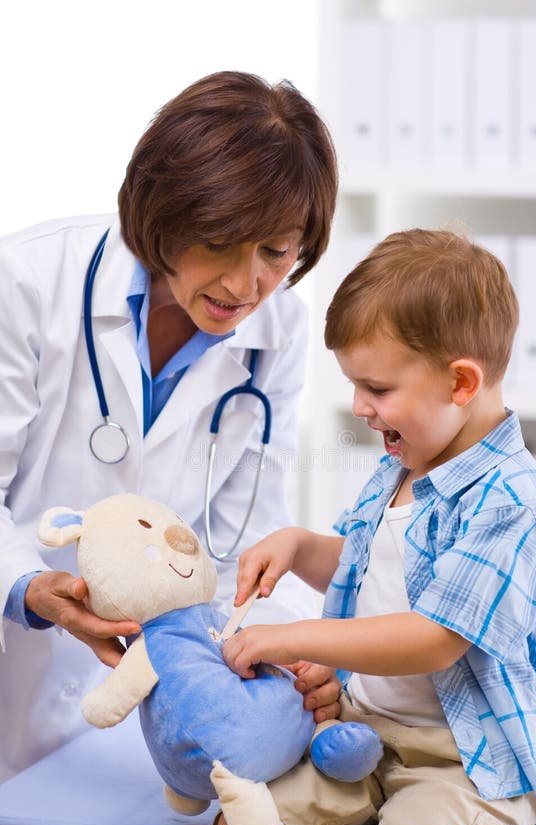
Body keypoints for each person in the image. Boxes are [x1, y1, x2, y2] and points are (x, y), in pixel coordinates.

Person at [211, 228, 536, 825]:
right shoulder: (402, 466)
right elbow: (368, 569)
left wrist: (289, 635)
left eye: (375, 387)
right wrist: (299, 546)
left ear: (460, 382)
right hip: (360, 735)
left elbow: (432, 637)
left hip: (462, 764)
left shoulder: (512, 502)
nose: (359, 407)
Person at [0, 71, 342, 783]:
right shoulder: (27, 282)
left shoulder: (276, 332)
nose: (247, 285)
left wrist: (290, 644)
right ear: (165, 211)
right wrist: (31, 587)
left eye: (276, 252)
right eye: (222, 241)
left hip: (144, 712)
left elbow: (248, 537)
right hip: (14, 671)